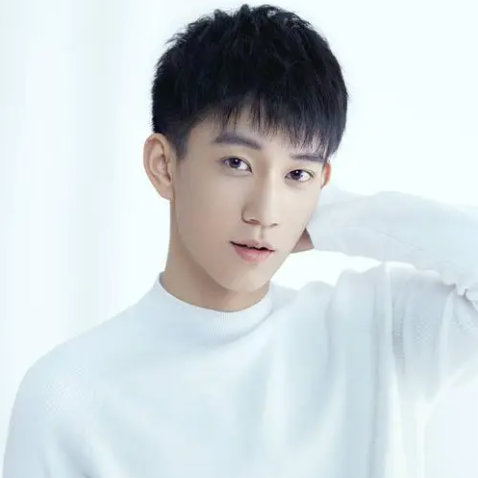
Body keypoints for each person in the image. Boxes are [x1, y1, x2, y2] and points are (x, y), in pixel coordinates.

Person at [3, 4, 478, 478]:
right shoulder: (69, 395)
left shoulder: (378, 328)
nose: (265, 213)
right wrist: (299, 189)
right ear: (164, 165)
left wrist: (335, 216)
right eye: (237, 163)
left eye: (297, 173)